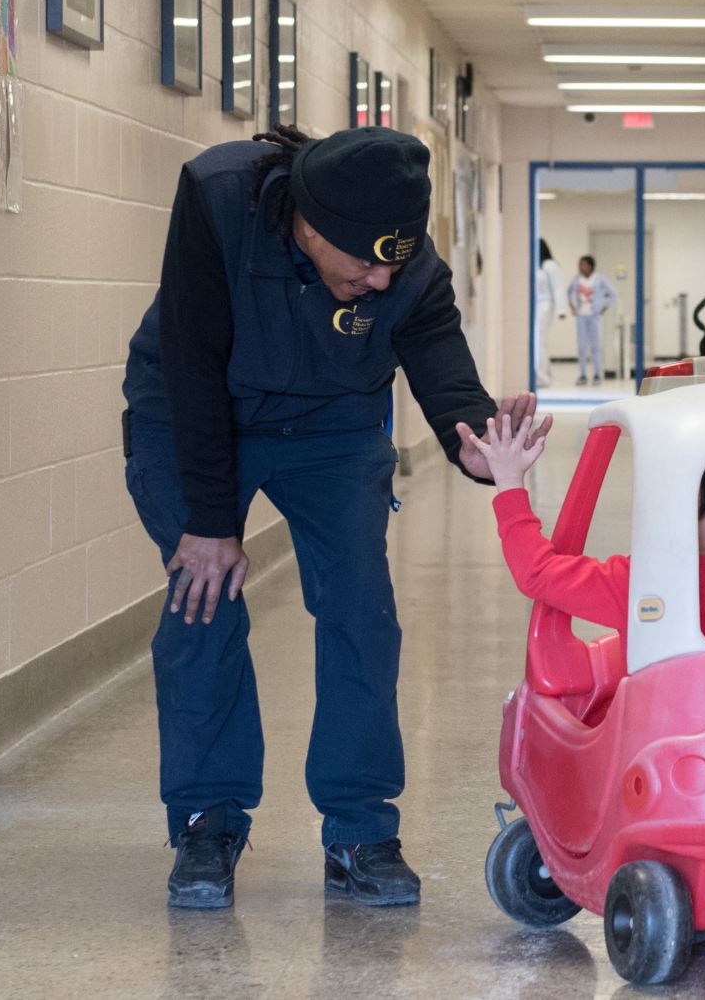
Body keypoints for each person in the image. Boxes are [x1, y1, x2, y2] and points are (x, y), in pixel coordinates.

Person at [121, 125, 551, 911]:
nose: (384, 280)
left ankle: (359, 829)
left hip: (332, 422)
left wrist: (479, 447)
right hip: (192, 409)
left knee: (360, 606)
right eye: (367, 262)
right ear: (309, 228)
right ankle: (208, 819)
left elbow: (440, 364)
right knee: (203, 600)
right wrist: (213, 523)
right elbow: (190, 357)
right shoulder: (218, 200)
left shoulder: (406, 267)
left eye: (398, 261)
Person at [463, 414, 705, 651]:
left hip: (659, 745)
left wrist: (509, 484)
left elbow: (538, 574)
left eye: (691, 489)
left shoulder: (648, 583)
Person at [568, 255, 616, 386]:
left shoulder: (599, 279)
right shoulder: (576, 279)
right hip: (581, 316)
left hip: (594, 316)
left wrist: (604, 307)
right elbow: (569, 292)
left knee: (596, 346)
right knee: (582, 346)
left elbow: (612, 293)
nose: (580, 267)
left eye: (582, 264)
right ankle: (582, 375)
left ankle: (597, 374)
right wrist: (572, 306)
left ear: (590, 266)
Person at [533, 239, 565, 388]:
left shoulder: (549, 265)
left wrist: (561, 310)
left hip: (546, 306)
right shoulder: (535, 264)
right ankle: (543, 374)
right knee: (539, 341)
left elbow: (558, 287)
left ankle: (543, 377)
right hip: (536, 305)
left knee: (540, 341)